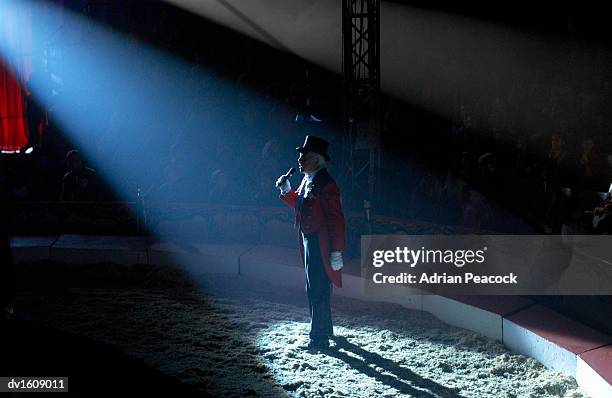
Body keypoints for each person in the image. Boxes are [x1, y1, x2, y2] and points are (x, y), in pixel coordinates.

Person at [276, 135, 345, 350]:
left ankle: (319, 338)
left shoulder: (327, 184)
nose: (299, 160)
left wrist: (336, 251)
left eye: (303, 156)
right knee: (315, 287)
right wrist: (287, 191)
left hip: (320, 242)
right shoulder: (309, 179)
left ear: (315, 159)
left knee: (318, 288)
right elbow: (301, 204)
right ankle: (325, 330)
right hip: (310, 240)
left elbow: (336, 220)